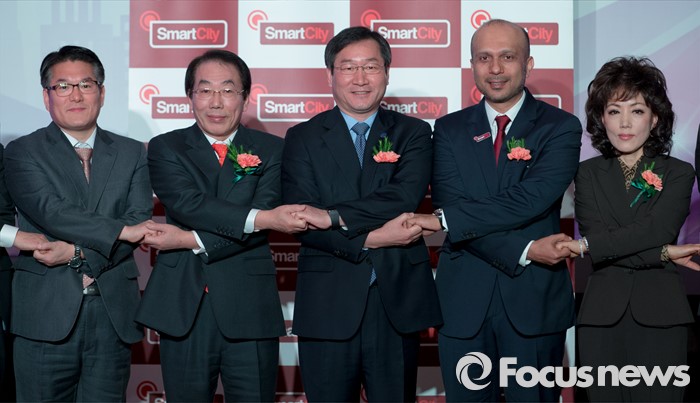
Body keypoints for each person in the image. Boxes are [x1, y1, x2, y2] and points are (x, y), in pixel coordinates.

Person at [408, 19, 582, 401]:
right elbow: (452, 205)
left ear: (528, 64)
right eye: (484, 58)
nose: (496, 68)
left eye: (507, 57)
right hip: (463, 300)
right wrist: (525, 249)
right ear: (472, 64)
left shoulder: (561, 127)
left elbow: (532, 198)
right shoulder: (449, 129)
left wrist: (452, 220)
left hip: (534, 300)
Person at [136, 49, 308, 402]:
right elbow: (189, 204)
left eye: (228, 90)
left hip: (250, 304)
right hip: (184, 303)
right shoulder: (166, 147)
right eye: (205, 90)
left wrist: (189, 240)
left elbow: (264, 214)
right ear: (190, 96)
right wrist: (255, 218)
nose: (216, 101)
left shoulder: (273, 149)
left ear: (245, 97)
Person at [281, 26, 442, 402]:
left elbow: (402, 196)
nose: (360, 78)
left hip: (395, 300)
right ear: (330, 75)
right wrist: (375, 237)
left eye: (370, 66)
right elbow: (302, 218)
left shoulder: (414, 132)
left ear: (386, 72)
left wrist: (333, 215)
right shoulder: (302, 137)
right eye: (348, 67)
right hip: (327, 301)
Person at [3, 45, 153, 401]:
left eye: (86, 84)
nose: (76, 95)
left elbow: (138, 222)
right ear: (46, 96)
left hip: (112, 315)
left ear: (101, 92)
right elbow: (50, 211)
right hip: (44, 315)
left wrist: (75, 253)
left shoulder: (132, 152)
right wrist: (119, 231)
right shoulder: (23, 151)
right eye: (63, 86)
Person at [558, 56, 699, 402]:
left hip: (662, 316)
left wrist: (586, 246)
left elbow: (654, 230)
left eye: (636, 111)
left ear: (655, 118)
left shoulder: (679, 173)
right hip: (600, 319)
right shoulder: (585, 174)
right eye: (614, 110)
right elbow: (600, 235)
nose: (624, 123)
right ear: (601, 118)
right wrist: (663, 253)